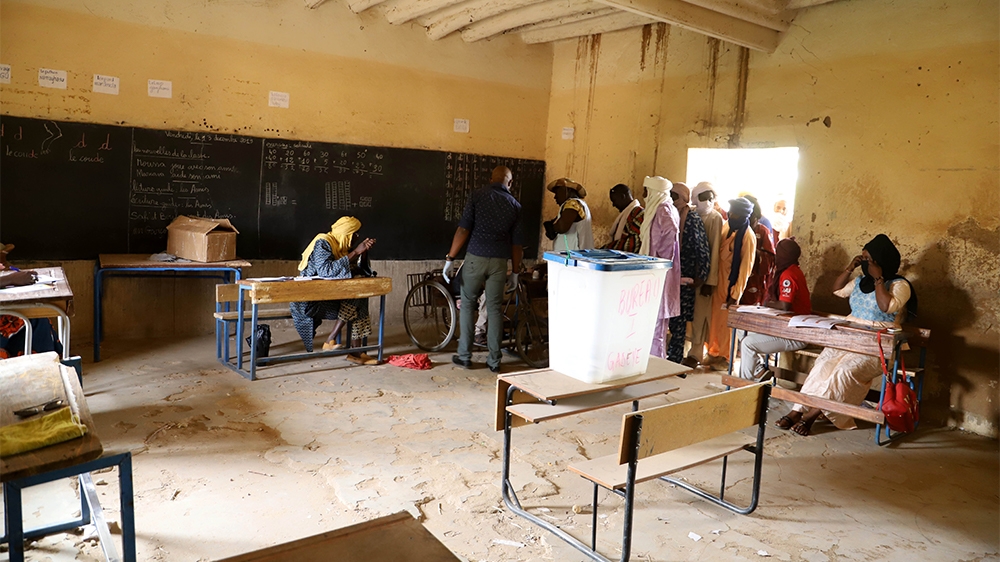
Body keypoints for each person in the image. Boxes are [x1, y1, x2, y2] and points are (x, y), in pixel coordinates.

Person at [775, 234, 918, 436]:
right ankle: (797, 410)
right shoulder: (860, 281)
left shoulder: (900, 285)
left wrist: (878, 279)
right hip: (849, 338)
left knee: (844, 371)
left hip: (878, 346)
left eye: (868, 259)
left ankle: (814, 413)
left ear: (880, 260)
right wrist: (850, 267)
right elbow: (837, 290)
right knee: (822, 366)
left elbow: (886, 307)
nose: (865, 263)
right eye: (862, 258)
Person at [444, 165, 524, 373]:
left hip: (475, 258)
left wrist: (450, 258)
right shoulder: (515, 205)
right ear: (510, 183)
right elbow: (517, 244)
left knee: (468, 304)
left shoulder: (477, 196)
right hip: (499, 262)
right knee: (494, 309)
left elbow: (463, 229)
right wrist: (515, 272)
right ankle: (494, 361)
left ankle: (464, 356)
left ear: (490, 179)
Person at [290, 217, 378, 365]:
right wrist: (355, 252)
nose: (357, 237)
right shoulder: (323, 243)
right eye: (354, 234)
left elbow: (363, 271)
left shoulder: (342, 248)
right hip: (311, 303)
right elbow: (326, 271)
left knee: (360, 296)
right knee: (357, 298)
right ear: (346, 234)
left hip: (331, 299)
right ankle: (344, 346)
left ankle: (353, 350)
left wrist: (363, 253)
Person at [738, 237, 811, 380]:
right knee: (742, 328)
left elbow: (784, 306)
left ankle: (743, 384)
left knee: (748, 344)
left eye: (778, 253)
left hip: (796, 334)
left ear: (784, 256)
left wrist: (766, 304)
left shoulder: (789, 274)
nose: (776, 257)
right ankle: (758, 369)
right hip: (784, 327)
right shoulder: (791, 270)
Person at [705, 197, 757, 364]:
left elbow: (745, 269)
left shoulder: (748, 236)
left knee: (726, 325)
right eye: (731, 212)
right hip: (716, 281)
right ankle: (713, 353)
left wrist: (735, 294)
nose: (732, 215)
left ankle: (726, 358)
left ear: (743, 215)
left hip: (730, 285)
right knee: (714, 321)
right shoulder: (727, 226)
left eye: (736, 214)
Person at [667, 182, 710, 365]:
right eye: (670, 194)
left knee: (679, 321)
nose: (671, 198)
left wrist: (702, 275)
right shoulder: (668, 214)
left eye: (675, 195)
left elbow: (702, 248)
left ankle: (674, 361)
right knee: (667, 318)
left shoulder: (691, 218)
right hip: (669, 275)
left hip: (685, 277)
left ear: (684, 197)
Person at [639, 176, 681, 360]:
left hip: (659, 272)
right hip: (654, 271)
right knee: (652, 321)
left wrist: (659, 261)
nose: (643, 195)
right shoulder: (660, 208)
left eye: (646, 191)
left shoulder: (663, 209)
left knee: (656, 321)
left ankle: (655, 362)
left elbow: (670, 232)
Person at [686, 182, 724, 368]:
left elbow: (714, 250)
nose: (707, 202)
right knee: (690, 315)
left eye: (710, 198)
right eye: (703, 198)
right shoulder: (691, 214)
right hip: (689, 274)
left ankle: (696, 353)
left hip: (704, 276)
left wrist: (709, 280)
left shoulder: (715, 218)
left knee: (701, 316)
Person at [739, 195, 776, 306]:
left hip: (755, 279)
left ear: (755, 216)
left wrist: (753, 251)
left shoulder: (763, 232)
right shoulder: (737, 228)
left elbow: (770, 258)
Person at [543, 178, 594, 251]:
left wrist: (553, 227)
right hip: (576, 254)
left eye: (557, 193)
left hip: (573, 255)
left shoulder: (573, 203)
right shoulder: (579, 204)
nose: (555, 197)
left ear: (567, 190)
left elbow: (562, 227)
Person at [603, 183, 643, 252]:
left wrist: (607, 248)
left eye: (614, 201)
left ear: (622, 197)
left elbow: (633, 243)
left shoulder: (638, 213)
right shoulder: (627, 213)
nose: (613, 205)